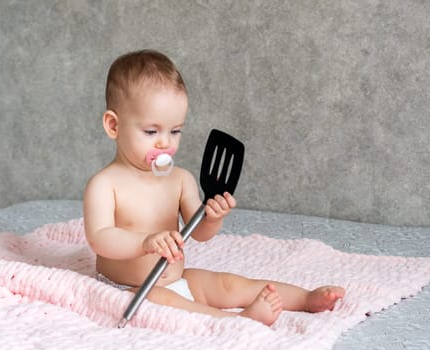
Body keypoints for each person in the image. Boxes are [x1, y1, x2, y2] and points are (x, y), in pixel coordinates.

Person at [83, 49, 345, 326]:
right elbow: (100, 238)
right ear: (114, 125)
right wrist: (144, 242)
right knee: (164, 301)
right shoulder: (105, 184)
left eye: (175, 131)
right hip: (130, 289)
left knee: (228, 284)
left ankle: (305, 298)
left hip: (178, 278)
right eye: (151, 131)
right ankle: (235, 319)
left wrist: (213, 216)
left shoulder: (180, 179)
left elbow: (201, 233)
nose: (165, 143)